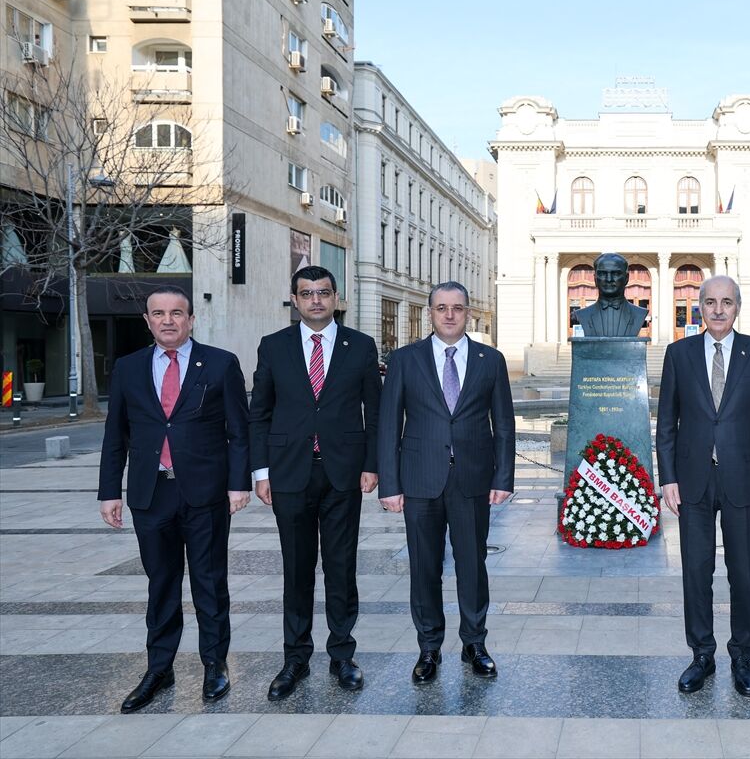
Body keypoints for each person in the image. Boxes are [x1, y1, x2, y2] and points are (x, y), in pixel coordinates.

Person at [98, 285, 251, 713]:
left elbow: (239, 430)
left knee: (209, 581)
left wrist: (238, 483)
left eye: (177, 313)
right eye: (159, 313)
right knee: (160, 584)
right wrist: (110, 490)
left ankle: (214, 664)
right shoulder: (128, 369)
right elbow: (115, 435)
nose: (168, 320)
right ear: (146, 320)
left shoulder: (220, 364)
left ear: (190, 319)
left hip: (205, 492)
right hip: (151, 494)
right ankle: (159, 669)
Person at [249, 266, 382, 701]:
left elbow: (374, 413)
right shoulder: (273, 347)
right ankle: (295, 659)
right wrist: (261, 471)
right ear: (295, 299)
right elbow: (260, 414)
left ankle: (342, 654)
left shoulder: (360, 346)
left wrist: (372, 464)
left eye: (323, 293)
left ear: (335, 297)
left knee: (341, 569)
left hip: (342, 473)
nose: (316, 300)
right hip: (289, 475)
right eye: (306, 294)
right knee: (297, 568)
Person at [377, 281, 515, 684]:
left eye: (457, 307)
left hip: (473, 479)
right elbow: (389, 425)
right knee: (424, 567)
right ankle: (429, 648)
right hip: (419, 480)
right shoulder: (405, 360)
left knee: (473, 565)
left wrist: (503, 476)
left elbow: (503, 423)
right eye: (441, 308)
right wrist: (390, 483)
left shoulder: (491, 360)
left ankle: (475, 643)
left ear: (467, 312)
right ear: (430, 312)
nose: (449, 315)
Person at [655, 275, 750, 697]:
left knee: (744, 573)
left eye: (726, 302)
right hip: (692, 481)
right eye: (709, 302)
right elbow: (666, 425)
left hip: (744, 481)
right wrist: (668, 477)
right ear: (700, 307)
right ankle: (702, 654)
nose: (717, 309)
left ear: (737, 307)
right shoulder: (679, 354)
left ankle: (742, 656)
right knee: (696, 570)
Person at [570, 253, 649, 337]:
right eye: (602, 274)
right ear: (595, 279)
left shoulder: (639, 314)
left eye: (615, 274)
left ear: (626, 278)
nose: (609, 279)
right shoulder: (583, 315)